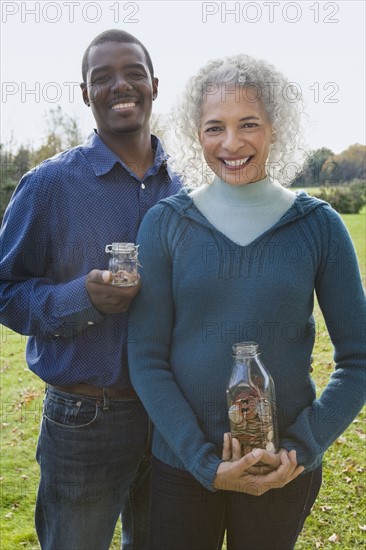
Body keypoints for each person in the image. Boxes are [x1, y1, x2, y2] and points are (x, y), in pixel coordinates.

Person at [128, 53, 366, 550]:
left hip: (282, 469)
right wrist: (203, 461)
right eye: (215, 127)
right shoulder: (166, 224)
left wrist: (299, 449)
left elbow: (359, 359)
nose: (231, 144)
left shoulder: (318, 226)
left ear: (276, 128)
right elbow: (147, 359)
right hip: (181, 468)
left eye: (249, 124)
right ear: (196, 134)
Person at [0, 29, 181, 550]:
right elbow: (5, 290)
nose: (120, 85)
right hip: (86, 419)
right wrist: (81, 298)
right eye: (102, 77)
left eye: (133, 73)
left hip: (173, 416)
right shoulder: (50, 185)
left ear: (153, 85)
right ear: (85, 93)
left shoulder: (188, 182)